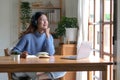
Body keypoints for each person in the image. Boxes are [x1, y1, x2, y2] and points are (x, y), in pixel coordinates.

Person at [11, 11, 66, 80]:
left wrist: (47, 36)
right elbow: (13, 51)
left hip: (43, 67)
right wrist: (21, 54)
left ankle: (37, 78)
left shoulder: (49, 37)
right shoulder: (27, 37)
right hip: (29, 67)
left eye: (46, 20)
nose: (45, 22)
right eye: (42, 20)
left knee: (63, 69)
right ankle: (41, 75)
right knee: (17, 72)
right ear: (36, 22)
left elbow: (51, 53)